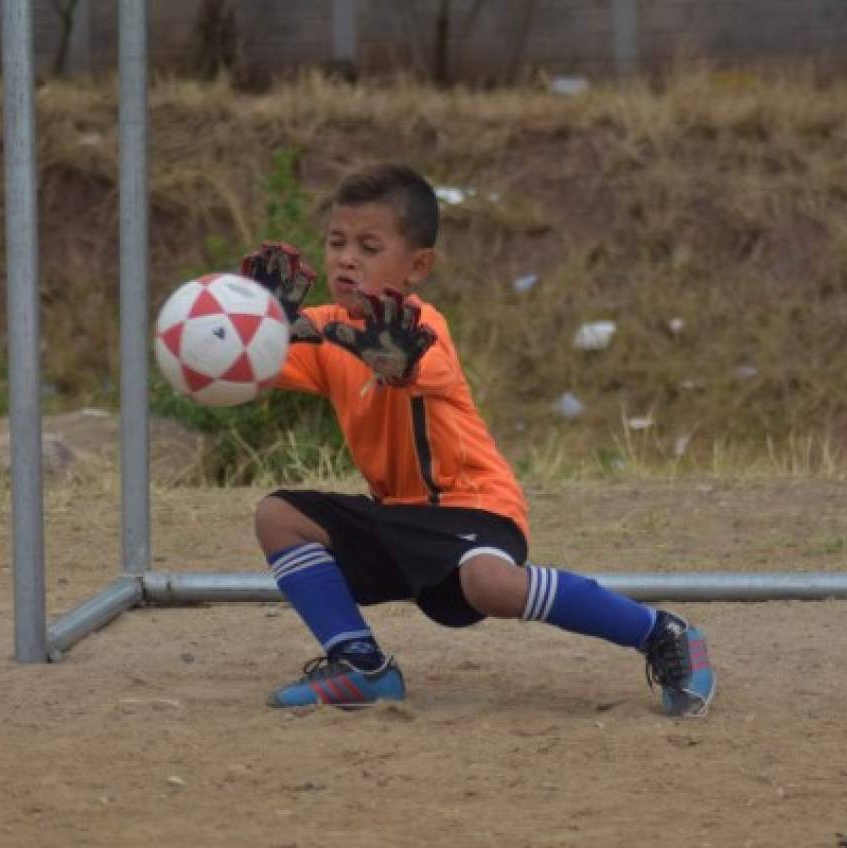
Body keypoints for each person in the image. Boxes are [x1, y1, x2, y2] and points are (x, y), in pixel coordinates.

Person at [239, 163, 715, 717]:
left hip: (476, 510)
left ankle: (663, 633)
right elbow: (250, 378)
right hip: (397, 519)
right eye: (337, 241)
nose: (346, 257)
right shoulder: (320, 329)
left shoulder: (424, 329)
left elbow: (406, 367)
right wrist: (248, 328)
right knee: (278, 516)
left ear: (418, 265)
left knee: (490, 584)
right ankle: (361, 665)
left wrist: (376, 352)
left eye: (369, 246)